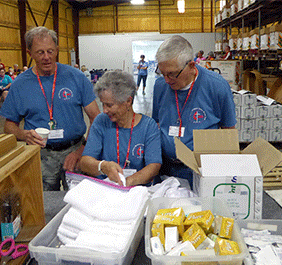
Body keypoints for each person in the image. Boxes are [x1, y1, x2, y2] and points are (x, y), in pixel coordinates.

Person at [0, 26, 100, 191]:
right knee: (43, 206)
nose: (46, 57)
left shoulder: (76, 77)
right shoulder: (20, 85)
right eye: (40, 52)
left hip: (75, 151)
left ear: (57, 50)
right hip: (40, 156)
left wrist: (82, 150)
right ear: (29, 53)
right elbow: (9, 127)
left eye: (50, 51)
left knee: (79, 203)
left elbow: (96, 117)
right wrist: (24, 135)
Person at [152, 35, 237, 186]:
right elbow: (157, 124)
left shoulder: (217, 86)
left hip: (201, 171)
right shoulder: (160, 86)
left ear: (191, 66)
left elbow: (228, 132)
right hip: (165, 169)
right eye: (162, 73)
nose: (166, 79)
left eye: (172, 73)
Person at [80, 70, 161, 186]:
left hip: (136, 190)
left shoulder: (148, 126)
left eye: (109, 105)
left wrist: (126, 183)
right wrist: (103, 166)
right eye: (102, 104)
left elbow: (154, 166)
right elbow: (85, 162)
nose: (104, 110)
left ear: (128, 101)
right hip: (107, 190)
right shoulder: (101, 121)